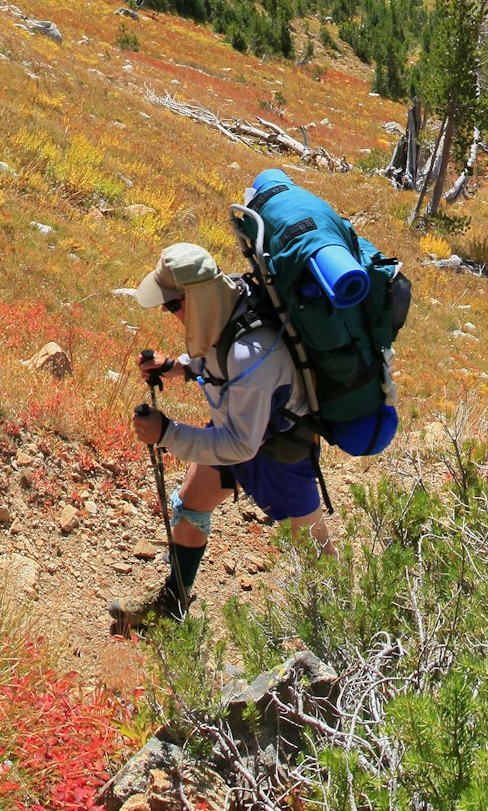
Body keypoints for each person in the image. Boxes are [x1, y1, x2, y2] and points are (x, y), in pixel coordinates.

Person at [106, 236, 325, 631]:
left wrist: (168, 432)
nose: (168, 312)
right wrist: (177, 366)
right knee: (190, 504)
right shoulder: (230, 300)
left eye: (172, 305)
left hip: (280, 455)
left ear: (197, 296)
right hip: (241, 428)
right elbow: (214, 350)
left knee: (315, 554)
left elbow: (240, 443)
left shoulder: (253, 355)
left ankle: (344, 636)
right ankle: (172, 607)